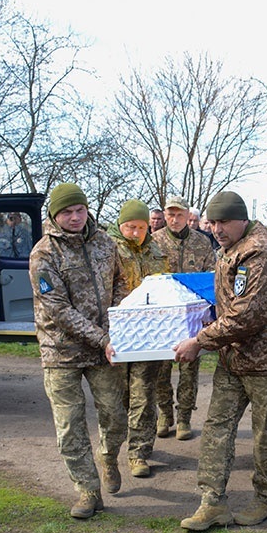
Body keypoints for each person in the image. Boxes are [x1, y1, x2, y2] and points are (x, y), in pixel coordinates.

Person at [173, 191, 267, 530]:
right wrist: (209, 318)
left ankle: (266, 498)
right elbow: (231, 305)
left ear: (242, 220)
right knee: (217, 428)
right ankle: (211, 501)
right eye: (213, 222)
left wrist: (199, 341)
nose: (217, 229)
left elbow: (248, 316)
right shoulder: (228, 249)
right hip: (233, 357)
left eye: (224, 222)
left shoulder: (262, 251)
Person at [29, 183, 127, 519]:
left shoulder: (106, 243)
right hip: (61, 351)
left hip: (104, 350)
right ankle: (87, 490)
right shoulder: (43, 253)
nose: (75, 217)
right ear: (54, 215)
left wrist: (116, 323)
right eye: (67, 212)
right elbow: (57, 309)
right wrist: (103, 338)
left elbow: (120, 282)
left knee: (115, 416)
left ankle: (108, 457)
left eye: (80, 210)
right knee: (70, 424)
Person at [107, 199, 169, 478]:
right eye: (130, 227)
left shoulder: (157, 251)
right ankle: (116, 447)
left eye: (141, 228)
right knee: (120, 395)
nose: (136, 233)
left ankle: (139, 453)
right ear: (121, 225)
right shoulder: (108, 249)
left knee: (144, 394)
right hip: (118, 333)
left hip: (149, 334)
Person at [151, 196, 216, 441]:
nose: (175, 219)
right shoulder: (154, 242)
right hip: (163, 318)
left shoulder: (201, 242)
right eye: (170, 215)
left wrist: (209, 314)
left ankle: (184, 418)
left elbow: (211, 277)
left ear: (188, 215)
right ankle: (164, 414)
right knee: (161, 370)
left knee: (189, 369)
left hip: (192, 317)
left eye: (179, 215)